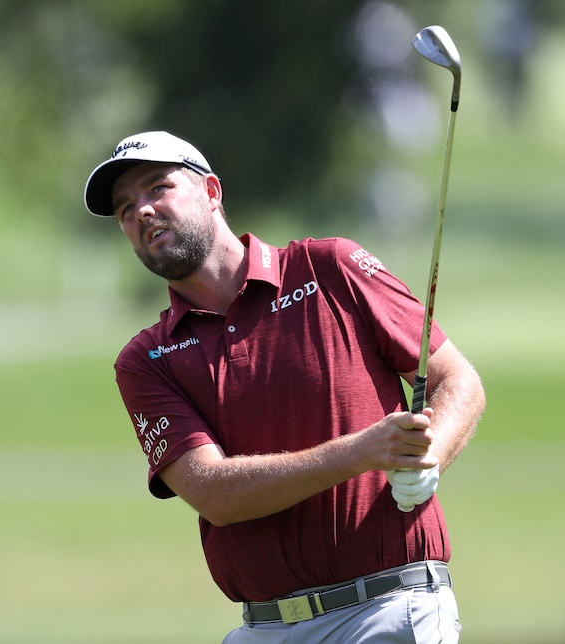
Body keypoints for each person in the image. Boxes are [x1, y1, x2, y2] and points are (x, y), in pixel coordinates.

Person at [82, 131, 485, 643]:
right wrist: (363, 451)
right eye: (124, 208)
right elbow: (213, 493)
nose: (141, 211)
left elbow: (457, 378)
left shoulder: (331, 269)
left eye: (158, 188)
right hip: (265, 628)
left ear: (211, 191)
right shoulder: (146, 360)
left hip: (389, 609)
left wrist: (432, 457)